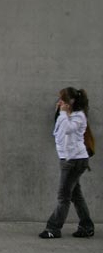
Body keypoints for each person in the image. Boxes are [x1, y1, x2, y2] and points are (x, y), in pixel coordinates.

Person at [39, 87, 95, 239]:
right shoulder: (67, 115)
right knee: (75, 195)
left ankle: (53, 228)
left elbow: (67, 130)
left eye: (62, 100)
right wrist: (61, 112)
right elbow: (57, 131)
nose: (59, 102)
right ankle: (86, 226)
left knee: (63, 196)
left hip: (75, 161)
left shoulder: (79, 116)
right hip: (68, 159)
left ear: (70, 102)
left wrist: (63, 113)